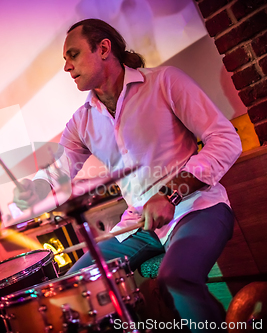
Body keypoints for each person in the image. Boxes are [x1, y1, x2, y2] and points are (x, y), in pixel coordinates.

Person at [13, 18, 242, 332]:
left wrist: (171, 193)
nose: (66, 66)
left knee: (176, 278)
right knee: (70, 289)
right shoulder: (82, 122)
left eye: (73, 54)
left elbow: (225, 139)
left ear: (104, 48)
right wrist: (33, 190)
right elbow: (57, 172)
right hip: (139, 225)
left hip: (198, 208)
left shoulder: (164, 81)